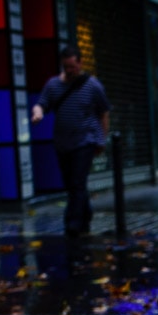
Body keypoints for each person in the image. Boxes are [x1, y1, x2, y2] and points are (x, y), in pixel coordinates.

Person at [30, 45, 110, 237]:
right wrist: (37, 114)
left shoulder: (93, 86)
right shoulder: (53, 85)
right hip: (62, 143)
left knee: (77, 181)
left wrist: (101, 139)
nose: (70, 71)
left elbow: (104, 112)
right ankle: (86, 213)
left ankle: (72, 224)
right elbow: (42, 104)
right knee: (72, 184)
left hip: (85, 140)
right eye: (66, 67)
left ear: (80, 63)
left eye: (72, 67)